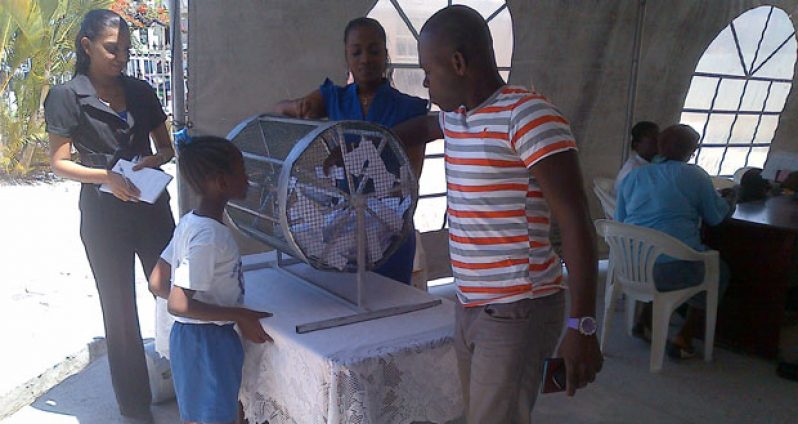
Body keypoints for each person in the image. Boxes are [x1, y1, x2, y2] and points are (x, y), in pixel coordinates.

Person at [392, 6, 603, 423]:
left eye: (427, 71)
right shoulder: (457, 118)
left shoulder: (528, 117)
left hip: (517, 309)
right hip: (471, 303)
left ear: (458, 63)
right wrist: (355, 145)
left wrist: (583, 325)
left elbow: (576, 220)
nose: (425, 82)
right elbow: (418, 129)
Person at [43, 9, 175, 422]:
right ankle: (135, 409)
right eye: (111, 50)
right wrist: (106, 176)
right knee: (118, 313)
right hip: (103, 217)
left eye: (126, 51)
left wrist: (148, 164)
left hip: (151, 207)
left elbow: (167, 149)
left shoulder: (141, 91)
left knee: (177, 292)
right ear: (87, 46)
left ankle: (190, 381)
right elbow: (59, 162)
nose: (120, 58)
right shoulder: (66, 96)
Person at [271, 17, 428, 285]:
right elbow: (279, 110)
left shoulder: (409, 108)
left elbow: (411, 177)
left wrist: (386, 212)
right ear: (346, 57)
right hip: (340, 231)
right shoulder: (333, 97)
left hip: (389, 232)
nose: (365, 59)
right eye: (356, 52)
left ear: (385, 54)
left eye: (374, 50)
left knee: (390, 305)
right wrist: (299, 107)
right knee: (346, 300)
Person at [148, 136, 273, 424]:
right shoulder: (210, 237)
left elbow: (157, 281)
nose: (248, 178)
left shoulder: (191, 222)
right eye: (241, 171)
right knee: (216, 416)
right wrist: (238, 314)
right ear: (221, 181)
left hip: (190, 340)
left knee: (209, 413)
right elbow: (179, 304)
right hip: (207, 341)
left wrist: (204, 303)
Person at [616, 124, 733, 359]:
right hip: (669, 272)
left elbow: (620, 222)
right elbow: (716, 216)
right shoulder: (695, 175)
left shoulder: (634, 176)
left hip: (632, 267)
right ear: (692, 150)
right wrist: (732, 201)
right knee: (717, 269)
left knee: (661, 253)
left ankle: (645, 320)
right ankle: (684, 337)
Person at [614, 121, 659, 194]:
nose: (658, 143)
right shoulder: (635, 170)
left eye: (658, 137)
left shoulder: (647, 165)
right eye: (653, 140)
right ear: (637, 145)